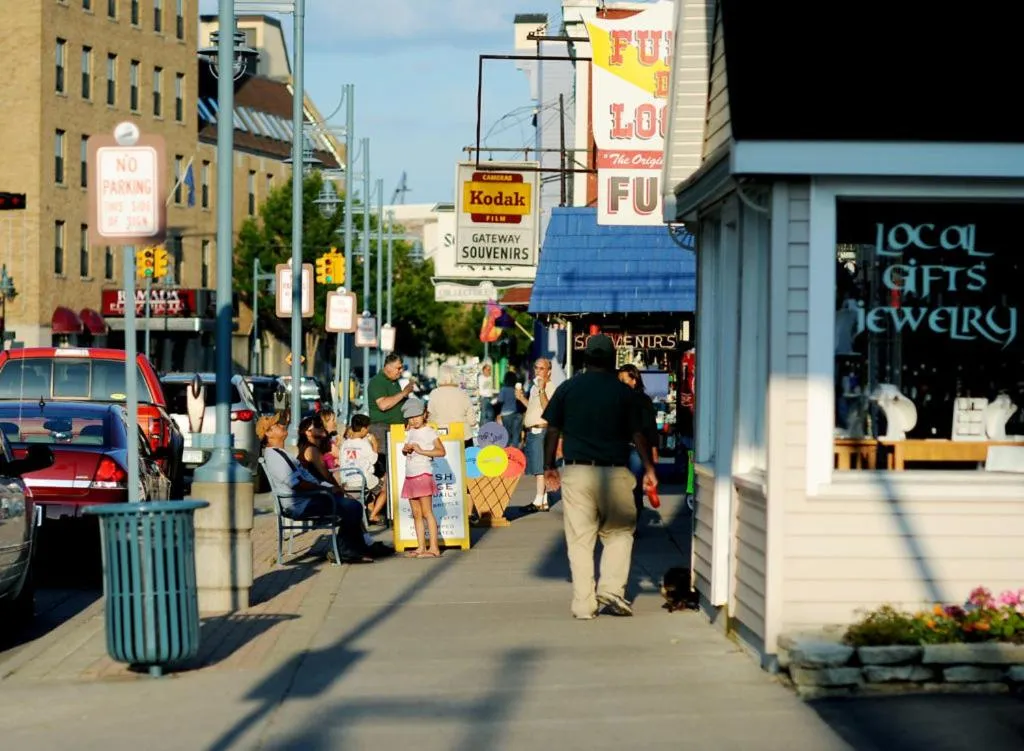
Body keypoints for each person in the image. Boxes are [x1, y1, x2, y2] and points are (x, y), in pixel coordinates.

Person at [542, 334, 657, 620]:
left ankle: (584, 605)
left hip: (577, 471)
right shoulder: (623, 393)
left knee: (580, 540)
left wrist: (549, 466)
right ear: (611, 359)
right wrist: (649, 467)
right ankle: (611, 590)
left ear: (586, 358)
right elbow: (637, 434)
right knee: (619, 533)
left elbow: (552, 429)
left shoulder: (568, 388)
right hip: (615, 470)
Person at [257, 415, 378, 564]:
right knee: (352, 507)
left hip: (307, 499)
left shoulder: (281, 453)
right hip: (300, 504)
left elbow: (306, 479)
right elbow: (297, 484)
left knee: (351, 504)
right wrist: (325, 490)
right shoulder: (275, 457)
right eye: (276, 425)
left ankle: (357, 548)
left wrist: (329, 488)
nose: (281, 426)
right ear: (268, 433)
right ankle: (345, 550)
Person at [400, 398, 446, 558]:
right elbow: (407, 452)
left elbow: (441, 451)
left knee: (427, 512)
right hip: (410, 475)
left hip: (423, 474)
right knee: (416, 513)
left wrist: (421, 451)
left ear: (424, 414)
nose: (413, 420)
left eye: (416, 416)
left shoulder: (429, 431)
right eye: (410, 417)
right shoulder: (410, 431)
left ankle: (434, 548)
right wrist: (406, 450)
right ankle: (421, 546)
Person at [617, 364, 660, 517]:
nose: (621, 384)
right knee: (625, 486)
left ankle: (633, 515)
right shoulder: (618, 399)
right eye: (619, 380)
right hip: (623, 447)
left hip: (636, 448)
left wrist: (654, 448)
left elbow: (650, 426)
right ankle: (631, 513)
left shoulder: (642, 400)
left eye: (624, 380)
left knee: (633, 485)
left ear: (634, 380)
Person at [368, 352, 416, 486]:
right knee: (383, 468)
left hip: (396, 429)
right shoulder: (377, 381)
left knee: (395, 466)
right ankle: (382, 495)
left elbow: (397, 402)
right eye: (398, 368)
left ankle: (391, 494)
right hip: (382, 429)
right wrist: (404, 393)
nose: (401, 371)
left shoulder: (394, 382)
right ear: (388, 367)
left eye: (402, 368)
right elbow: (383, 405)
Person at [519, 357, 557, 512]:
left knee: (539, 468)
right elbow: (532, 408)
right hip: (533, 431)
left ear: (549, 371)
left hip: (541, 431)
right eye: (536, 367)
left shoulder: (550, 387)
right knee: (537, 466)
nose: (538, 371)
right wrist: (521, 398)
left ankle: (538, 501)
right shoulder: (535, 387)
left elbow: (548, 408)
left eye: (542, 368)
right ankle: (544, 500)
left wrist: (542, 389)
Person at [340, 413, 388, 526]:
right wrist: (375, 444)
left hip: (347, 481)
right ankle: (373, 515)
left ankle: (370, 510)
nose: (368, 431)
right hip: (361, 480)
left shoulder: (344, 444)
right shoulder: (364, 444)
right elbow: (374, 460)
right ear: (362, 429)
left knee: (371, 488)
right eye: (367, 428)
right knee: (385, 489)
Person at [426, 364, 475, 430]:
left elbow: (430, 416)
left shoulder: (434, 393)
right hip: (460, 432)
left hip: (440, 431)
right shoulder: (463, 393)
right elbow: (472, 421)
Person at [496, 371, 523, 449]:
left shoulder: (504, 389)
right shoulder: (517, 389)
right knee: (516, 434)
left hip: (506, 414)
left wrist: (497, 414)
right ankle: (515, 452)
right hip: (517, 414)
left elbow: (500, 401)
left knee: (506, 435)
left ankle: (507, 453)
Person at [478, 361, 496, 425]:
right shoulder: (480, 377)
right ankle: (482, 428)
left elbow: (493, 388)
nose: (489, 371)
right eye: (487, 369)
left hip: (491, 398)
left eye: (490, 370)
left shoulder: (491, 378)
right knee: (483, 416)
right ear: (483, 370)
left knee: (491, 415)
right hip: (483, 398)